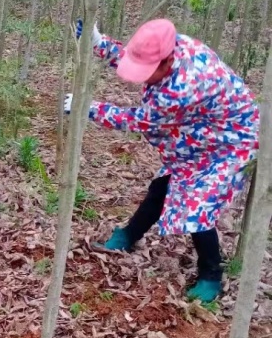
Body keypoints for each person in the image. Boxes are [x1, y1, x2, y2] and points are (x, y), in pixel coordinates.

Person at [66, 18, 259, 303]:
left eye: (149, 72)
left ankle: (211, 274)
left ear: (168, 63)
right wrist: (99, 43)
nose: (143, 77)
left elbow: (140, 120)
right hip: (200, 130)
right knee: (163, 185)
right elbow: (136, 59)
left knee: (197, 206)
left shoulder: (182, 88)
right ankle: (129, 235)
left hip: (230, 141)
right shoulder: (172, 45)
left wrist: (87, 108)